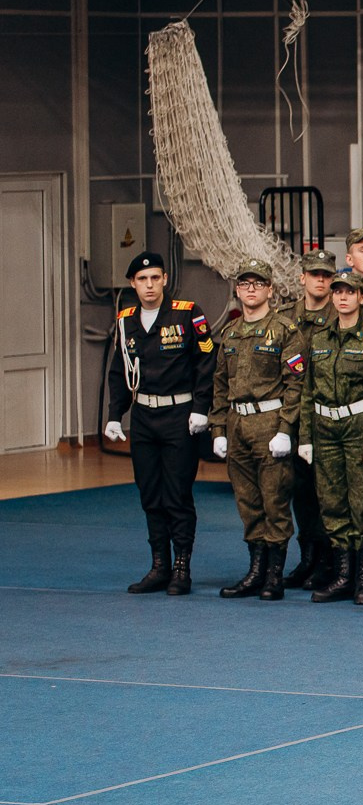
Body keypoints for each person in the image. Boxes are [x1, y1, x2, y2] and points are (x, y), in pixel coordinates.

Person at [103, 252, 214, 595]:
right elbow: (120, 371)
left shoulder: (187, 313)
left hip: (180, 416)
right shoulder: (125, 320)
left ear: (165, 279)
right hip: (144, 418)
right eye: (142, 279)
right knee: (150, 493)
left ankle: (182, 567)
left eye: (155, 278)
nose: (149, 285)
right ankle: (159, 565)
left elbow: (206, 362)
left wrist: (201, 407)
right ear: (132, 284)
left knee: (177, 495)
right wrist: (114, 414)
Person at [208, 260, 307, 602]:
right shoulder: (230, 333)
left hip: (270, 422)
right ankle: (256, 570)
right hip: (238, 423)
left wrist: (286, 429)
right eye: (245, 284)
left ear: (270, 290)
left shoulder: (284, 330)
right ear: (237, 290)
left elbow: (296, 384)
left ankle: (274, 575)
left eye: (258, 284)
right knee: (248, 502)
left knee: (274, 501)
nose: (251, 290)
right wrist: (218, 428)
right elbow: (220, 384)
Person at [297, 270, 363, 606]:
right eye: (337, 291)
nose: (342, 297)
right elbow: (307, 390)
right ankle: (342, 575)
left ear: (362, 297)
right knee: (332, 503)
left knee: (362, 503)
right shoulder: (319, 339)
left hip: (359, 427)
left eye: (349, 292)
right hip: (324, 428)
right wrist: (305, 436)